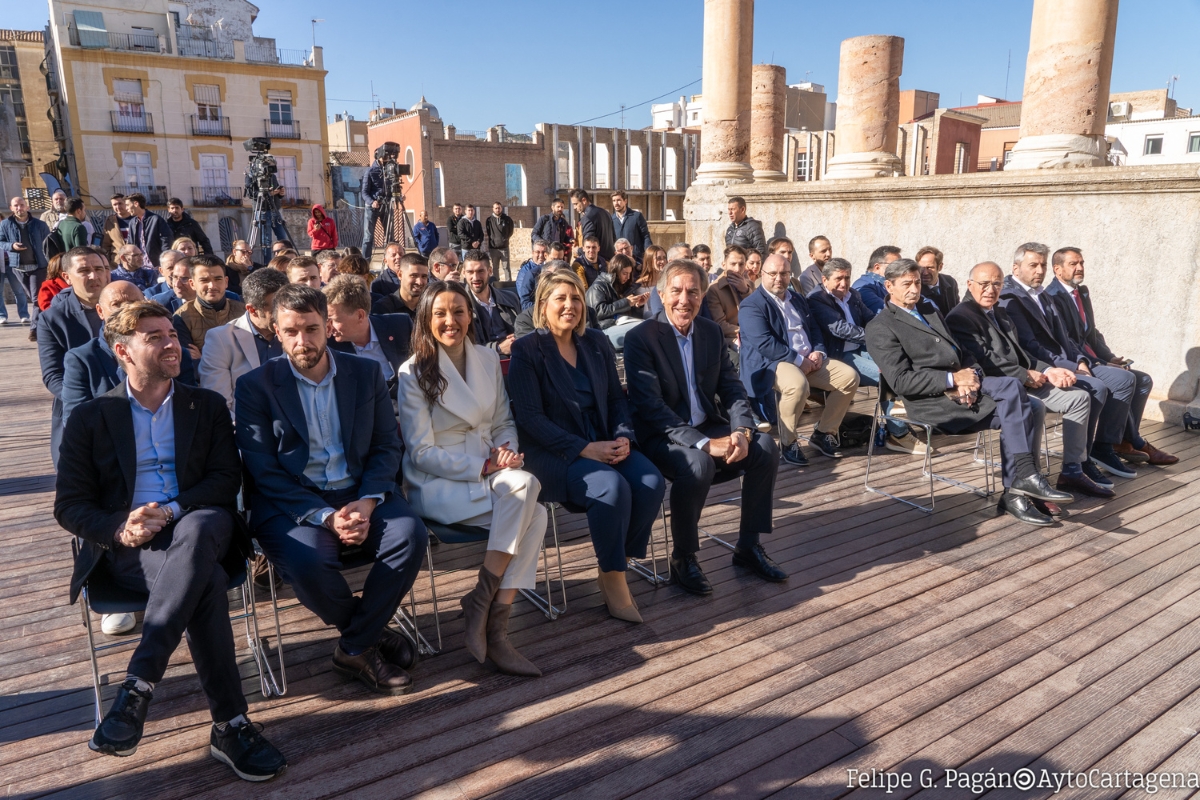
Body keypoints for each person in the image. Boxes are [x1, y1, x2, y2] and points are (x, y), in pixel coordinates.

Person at [54, 301, 288, 780]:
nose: (170, 343)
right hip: (132, 547)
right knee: (200, 585)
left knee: (200, 530)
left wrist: (171, 509)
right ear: (122, 351)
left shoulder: (204, 407)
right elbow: (70, 506)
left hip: (202, 524)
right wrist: (122, 527)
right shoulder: (92, 418)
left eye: (171, 334)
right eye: (154, 337)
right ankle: (231, 725)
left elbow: (225, 480)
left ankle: (138, 686)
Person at [236, 284, 427, 695]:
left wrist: (369, 499)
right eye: (291, 331)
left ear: (328, 327)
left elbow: (385, 446)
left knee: (410, 535)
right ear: (275, 331)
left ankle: (354, 647)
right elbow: (264, 471)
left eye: (312, 328)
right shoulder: (255, 385)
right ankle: (366, 638)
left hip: (360, 491)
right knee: (307, 562)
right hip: (292, 502)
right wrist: (326, 516)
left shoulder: (364, 372)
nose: (302, 341)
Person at [396, 281, 546, 677]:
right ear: (426, 319)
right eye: (441, 313)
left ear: (470, 315)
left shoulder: (485, 357)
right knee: (535, 509)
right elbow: (421, 452)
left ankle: (490, 618)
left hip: (489, 468)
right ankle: (488, 613)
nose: (451, 321)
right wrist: (484, 467)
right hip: (439, 481)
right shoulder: (413, 372)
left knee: (528, 495)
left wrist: (505, 450)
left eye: (459, 311)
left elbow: (502, 421)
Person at [865, 258, 1073, 525]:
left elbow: (961, 352)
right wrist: (952, 379)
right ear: (888, 286)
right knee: (1012, 387)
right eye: (907, 284)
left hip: (965, 389)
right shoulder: (881, 327)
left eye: (917, 282)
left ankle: (1014, 493)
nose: (915, 289)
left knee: (1032, 407)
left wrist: (969, 375)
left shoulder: (929, 310)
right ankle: (1027, 476)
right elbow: (902, 381)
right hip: (934, 404)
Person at [508, 270, 666, 621]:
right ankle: (613, 578)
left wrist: (624, 435)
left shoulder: (595, 341)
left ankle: (616, 564)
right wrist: (584, 448)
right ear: (542, 305)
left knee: (651, 482)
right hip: (555, 453)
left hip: (606, 442)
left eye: (576, 298)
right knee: (611, 487)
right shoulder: (527, 349)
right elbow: (531, 419)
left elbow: (616, 399)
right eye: (560, 299)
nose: (570, 305)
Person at [624, 259, 784, 596]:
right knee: (697, 465)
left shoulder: (710, 332)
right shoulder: (642, 338)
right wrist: (703, 443)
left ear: (701, 295)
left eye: (693, 292)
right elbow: (651, 408)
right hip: (661, 436)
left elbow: (731, 388)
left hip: (708, 425)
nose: (685, 299)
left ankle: (748, 546)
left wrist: (742, 430)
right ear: (661, 294)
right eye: (677, 291)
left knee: (766, 448)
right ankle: (683, 557)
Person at [947, 262, 1112, 500]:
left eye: (996, 284)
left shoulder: (999, 312)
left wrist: (1049, 370)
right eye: (984, 284)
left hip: (1025, 378)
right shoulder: (961, 317)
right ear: (970, 285)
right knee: (1034, 407)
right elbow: (985, 360)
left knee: (1080, 398)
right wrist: (1025, 375)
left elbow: (1022, 353)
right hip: (998, 384)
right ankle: (1031, 477)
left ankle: (1072, 471)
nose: (990, 290)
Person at [999, 242, 1139, 482]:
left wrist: (1081, 361)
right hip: (1039, 369)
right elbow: (1031, 346)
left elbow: (1066, 336)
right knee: (1096, 387)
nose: (1040, 271)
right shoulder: (1010, 298)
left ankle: (1102, 449)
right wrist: (1068, 366)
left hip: (1068, 361)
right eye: (1033, 265)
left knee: (1127, 378)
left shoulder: (1041, 293)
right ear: (1015, 267)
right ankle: (1079, 464)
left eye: (1042, 265)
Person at [1043, 246, 1176, 466]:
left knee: (1143, 380)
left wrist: (1109, 357)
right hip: (1073, 362)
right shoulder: (1053, 297)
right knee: (1125, 379)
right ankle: (1117, 443)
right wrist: (1100, 363)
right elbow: (1067, 341)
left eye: (1082, 263)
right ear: (1057, 269)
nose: (1079, 268)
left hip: (1092, 358)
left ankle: (1122, 441)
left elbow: (1092, 333)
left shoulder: (1081, 292)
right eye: (1073, 264)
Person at [740, 254, 862, 465]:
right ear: (762, 275)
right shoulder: (752, 305)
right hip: (773, 362)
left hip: (808, 358)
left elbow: (814, 328)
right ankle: (788, 442)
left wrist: (818, 352)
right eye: (773, 274)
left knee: (849, 377)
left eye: (784, 273)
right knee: (797, 384)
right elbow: (765, 344)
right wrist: (799, 360)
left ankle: (824, 432)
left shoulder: (797, 298)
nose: (779, 278)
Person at [807, 257, 917, 452]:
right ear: (825, 281)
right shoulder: (817, 299)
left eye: (847, 278)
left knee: (898, 365)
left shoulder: (854, 295)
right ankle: (898, 433)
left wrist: (886, 332)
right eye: (838, 279)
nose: (844, 283)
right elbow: (839, 329)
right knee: (887, 375)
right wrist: (872, 337)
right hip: (838, 355)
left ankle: (899, 424)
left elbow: (870, 319)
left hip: (859, 349)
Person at [60, 279, 197, 427]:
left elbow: (190, 409)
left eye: (134, 302)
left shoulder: (174, 354)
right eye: (116, 304)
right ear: (100, 311)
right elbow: (75, 421)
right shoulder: (82, 359)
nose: (126, 309)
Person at [38, 247, 111, 467]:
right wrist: (81, 401)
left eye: (99, 269)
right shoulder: (53, 319)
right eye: (84, 270)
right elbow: (52, 375)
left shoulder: (128, 307)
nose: (94, 276)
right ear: (67, 277)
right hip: (78, 407)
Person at [198, 267, 288, 414]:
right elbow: (219, 405)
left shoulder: (297, 332)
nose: (284, 314)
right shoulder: (221, 339)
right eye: (275, 309)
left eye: (287, 306)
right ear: (252, 310)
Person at [326, 275, 412, 401]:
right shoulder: (329, 346)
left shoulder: (401, 326)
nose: (329, 327)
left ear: (360, 315)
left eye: (333, 320)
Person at [175, 256, 246, 353]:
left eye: (218, 279)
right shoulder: (182, 317)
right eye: (204, 280)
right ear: (192, 284)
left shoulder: (243, 312)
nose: (212, 286)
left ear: (226, 282)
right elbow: (190, 361)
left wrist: (203, 356)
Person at [0, 196, 48, 331]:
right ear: (11, 208)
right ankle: (42, 323)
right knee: (31, 296)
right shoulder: (5, 224)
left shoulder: (39, 224)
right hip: (18, 267)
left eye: (21, 205)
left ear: (27, 207)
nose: (19, 208)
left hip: (38, 266)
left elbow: (48, 244)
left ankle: (35, 328)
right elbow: (1, 241)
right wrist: (11, 246)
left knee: (36, 298)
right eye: (16, 205)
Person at [462, 250, 519, 355]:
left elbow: (524, 330)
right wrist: (498, 348)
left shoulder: (511, 299)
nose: (475, 278)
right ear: (463, 273)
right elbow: (463, 348)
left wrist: (519, 338)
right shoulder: (459, 307)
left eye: (480, 271)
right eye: (470, 272)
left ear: (490, 271)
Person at [586, 253, 647, 348]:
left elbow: (629, 316)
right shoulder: (598, 287)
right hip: (602, 330)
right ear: (616, 271)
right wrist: (626, 302)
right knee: (642, 329)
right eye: (624, 273)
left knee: (648, 325)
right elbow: (597, 312)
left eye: (629, 274)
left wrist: (637, 306)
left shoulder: (623, 286)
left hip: (618, 325)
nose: (627, 277)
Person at [705, 245, 753, 349]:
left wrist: (746, 291)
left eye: (741, 264)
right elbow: (720, 325)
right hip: (730, 339)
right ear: (724, 265)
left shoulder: (749, 285)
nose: (737, 269)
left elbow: (760, 311)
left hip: (753, 334)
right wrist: (745, 332)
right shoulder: (714, 289)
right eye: (733, 264)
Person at [372, 253, 429, 318]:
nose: (419, 282)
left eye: (424, 276)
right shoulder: (383, 309)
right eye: (414, 276)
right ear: (400, 275)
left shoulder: (430, 308)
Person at [125, 193, 172, 267]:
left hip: (156, 265)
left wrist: (165, 260)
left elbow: (166, 241)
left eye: (127, 205)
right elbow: (131, 244)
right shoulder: (132, 223)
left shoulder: (156, 219)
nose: (126, 208)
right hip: (139, 266)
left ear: (136, 203)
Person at [852, 245, 902, 314]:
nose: (900, 270)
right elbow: (885, 313)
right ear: (877, 267)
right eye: (895, 265)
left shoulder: (893, 283)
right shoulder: (863, 286)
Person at [916, 245, 960, 318]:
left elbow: (956, 309)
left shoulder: (950, 282)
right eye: (921, 268)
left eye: (930, 268)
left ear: (940, 267)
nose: (925, 273)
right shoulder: (916, 288)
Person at [571, 189, 615, 262]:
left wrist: (577, 250)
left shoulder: (587, 217)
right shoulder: (606, 213)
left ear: (584, 200)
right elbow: (613, 238)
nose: (574, 207)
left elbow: (589, 245)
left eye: (575, 204)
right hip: (610, 261)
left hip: (597, 263)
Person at [610, 190, 651, 262]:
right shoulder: (611, 220)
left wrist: (649, 255)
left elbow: (645, 236)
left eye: (619, 200)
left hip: (637, 260)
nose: (616, 203)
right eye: (614, 201)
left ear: (625, 201)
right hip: (619, 261)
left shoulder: (636, 216)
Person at [516, 239, 549, 310]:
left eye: (543, 252)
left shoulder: (549, 268)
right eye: (538, 252)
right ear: (533, 253)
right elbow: (523, 296)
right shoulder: (525, 271)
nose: (541, 255)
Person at [486, 202, 515, 281]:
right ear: (493, 209)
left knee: (506, 267)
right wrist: (494, 240)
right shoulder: (489, 220)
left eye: (499, 208)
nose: (497, 210)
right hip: (493, 248)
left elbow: (511, 231)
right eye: (496, 208)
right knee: (495, 267)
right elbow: (489, 232)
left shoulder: (507, 219)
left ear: (501, 208)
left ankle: (508, 283)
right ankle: (496, 283)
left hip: (504, 247)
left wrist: (505, 239)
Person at [101, 194, 131, 264]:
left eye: (120, 203)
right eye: (115, 204)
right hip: (117, 264)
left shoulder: (136, 219)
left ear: (126, 204)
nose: (118, 207)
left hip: (136, 262)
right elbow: (106, 244)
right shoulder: (110, 221)